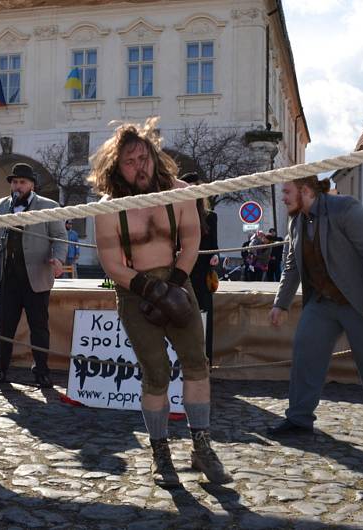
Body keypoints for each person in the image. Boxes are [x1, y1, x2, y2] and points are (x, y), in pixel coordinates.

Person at [91, 120, 231, 487]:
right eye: (130, 161)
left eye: (144, 157)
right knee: (155, 374)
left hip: (177, 279)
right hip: (133, 289)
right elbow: (112, 265)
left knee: (197, 365)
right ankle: (160, 454)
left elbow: (191, 241)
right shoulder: (108, 209)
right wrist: (148, 290)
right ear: (116, 168)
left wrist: (175, 285)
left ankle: (201, 446)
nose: (141, 166)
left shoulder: (181, 193)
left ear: (154, 155)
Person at [268, 176, 363, 448]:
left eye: (287, 192)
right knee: (305, 350)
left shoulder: (346, 208)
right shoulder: (296, 221)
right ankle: (299, 418)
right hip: (324, 302)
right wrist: (280, 304)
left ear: (305, 190)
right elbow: (292, 266)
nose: (283, 198)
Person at [0, 163, 66, 389]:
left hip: (36, 275)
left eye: (23, 182)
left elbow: (59, 236)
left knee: (39, 326)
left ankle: (41, 371)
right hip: (7, 276)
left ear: (32, 185)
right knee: (2, 326)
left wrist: (58, 259)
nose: (18, 186)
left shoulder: (48, 206)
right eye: (15, 182)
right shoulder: (0, 206)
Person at [181, 172, 219, 364]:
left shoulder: (210, 217)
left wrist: (215, 257)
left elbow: (215, 247)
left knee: (205, 315)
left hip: (202, 273)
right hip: (180, 272)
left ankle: (206, 361)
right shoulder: (176, 215)